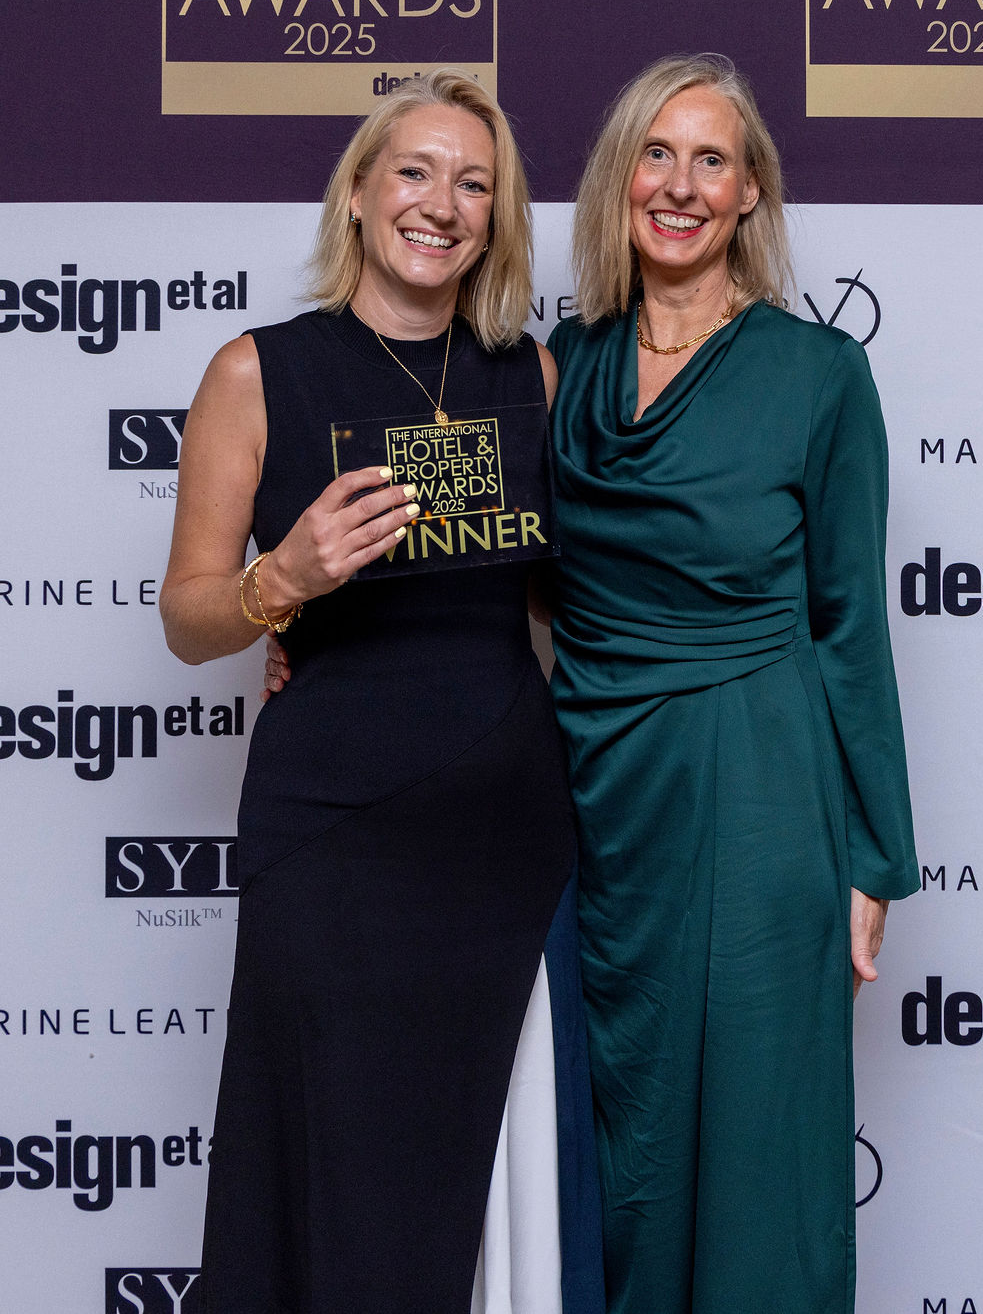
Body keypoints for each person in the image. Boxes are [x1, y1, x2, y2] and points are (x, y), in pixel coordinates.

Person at [160, 68, 602, 1314]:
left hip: (504, 838)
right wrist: (280, 582)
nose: (440, 204)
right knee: (327, 1165)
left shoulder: (533, 375)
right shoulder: (256, 371)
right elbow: (187, 615)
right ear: (357, 193)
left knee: (469, 1188)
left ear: (496, 217)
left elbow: (553, 597)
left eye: (475, 184)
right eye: (414, 170)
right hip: (333, 837)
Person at [545, 53, 919, 1314]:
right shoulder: (563, 363)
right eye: (656, 154)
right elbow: (507, 566)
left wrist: (873, 855)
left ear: (750, 191)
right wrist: (297, 620)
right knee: (621, 1144)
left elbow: (849, 624)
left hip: (761, 787)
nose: (680, 184)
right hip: (594, 800)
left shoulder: (819, 375)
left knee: (761, 1137)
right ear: (619, 179)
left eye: (712, 159)